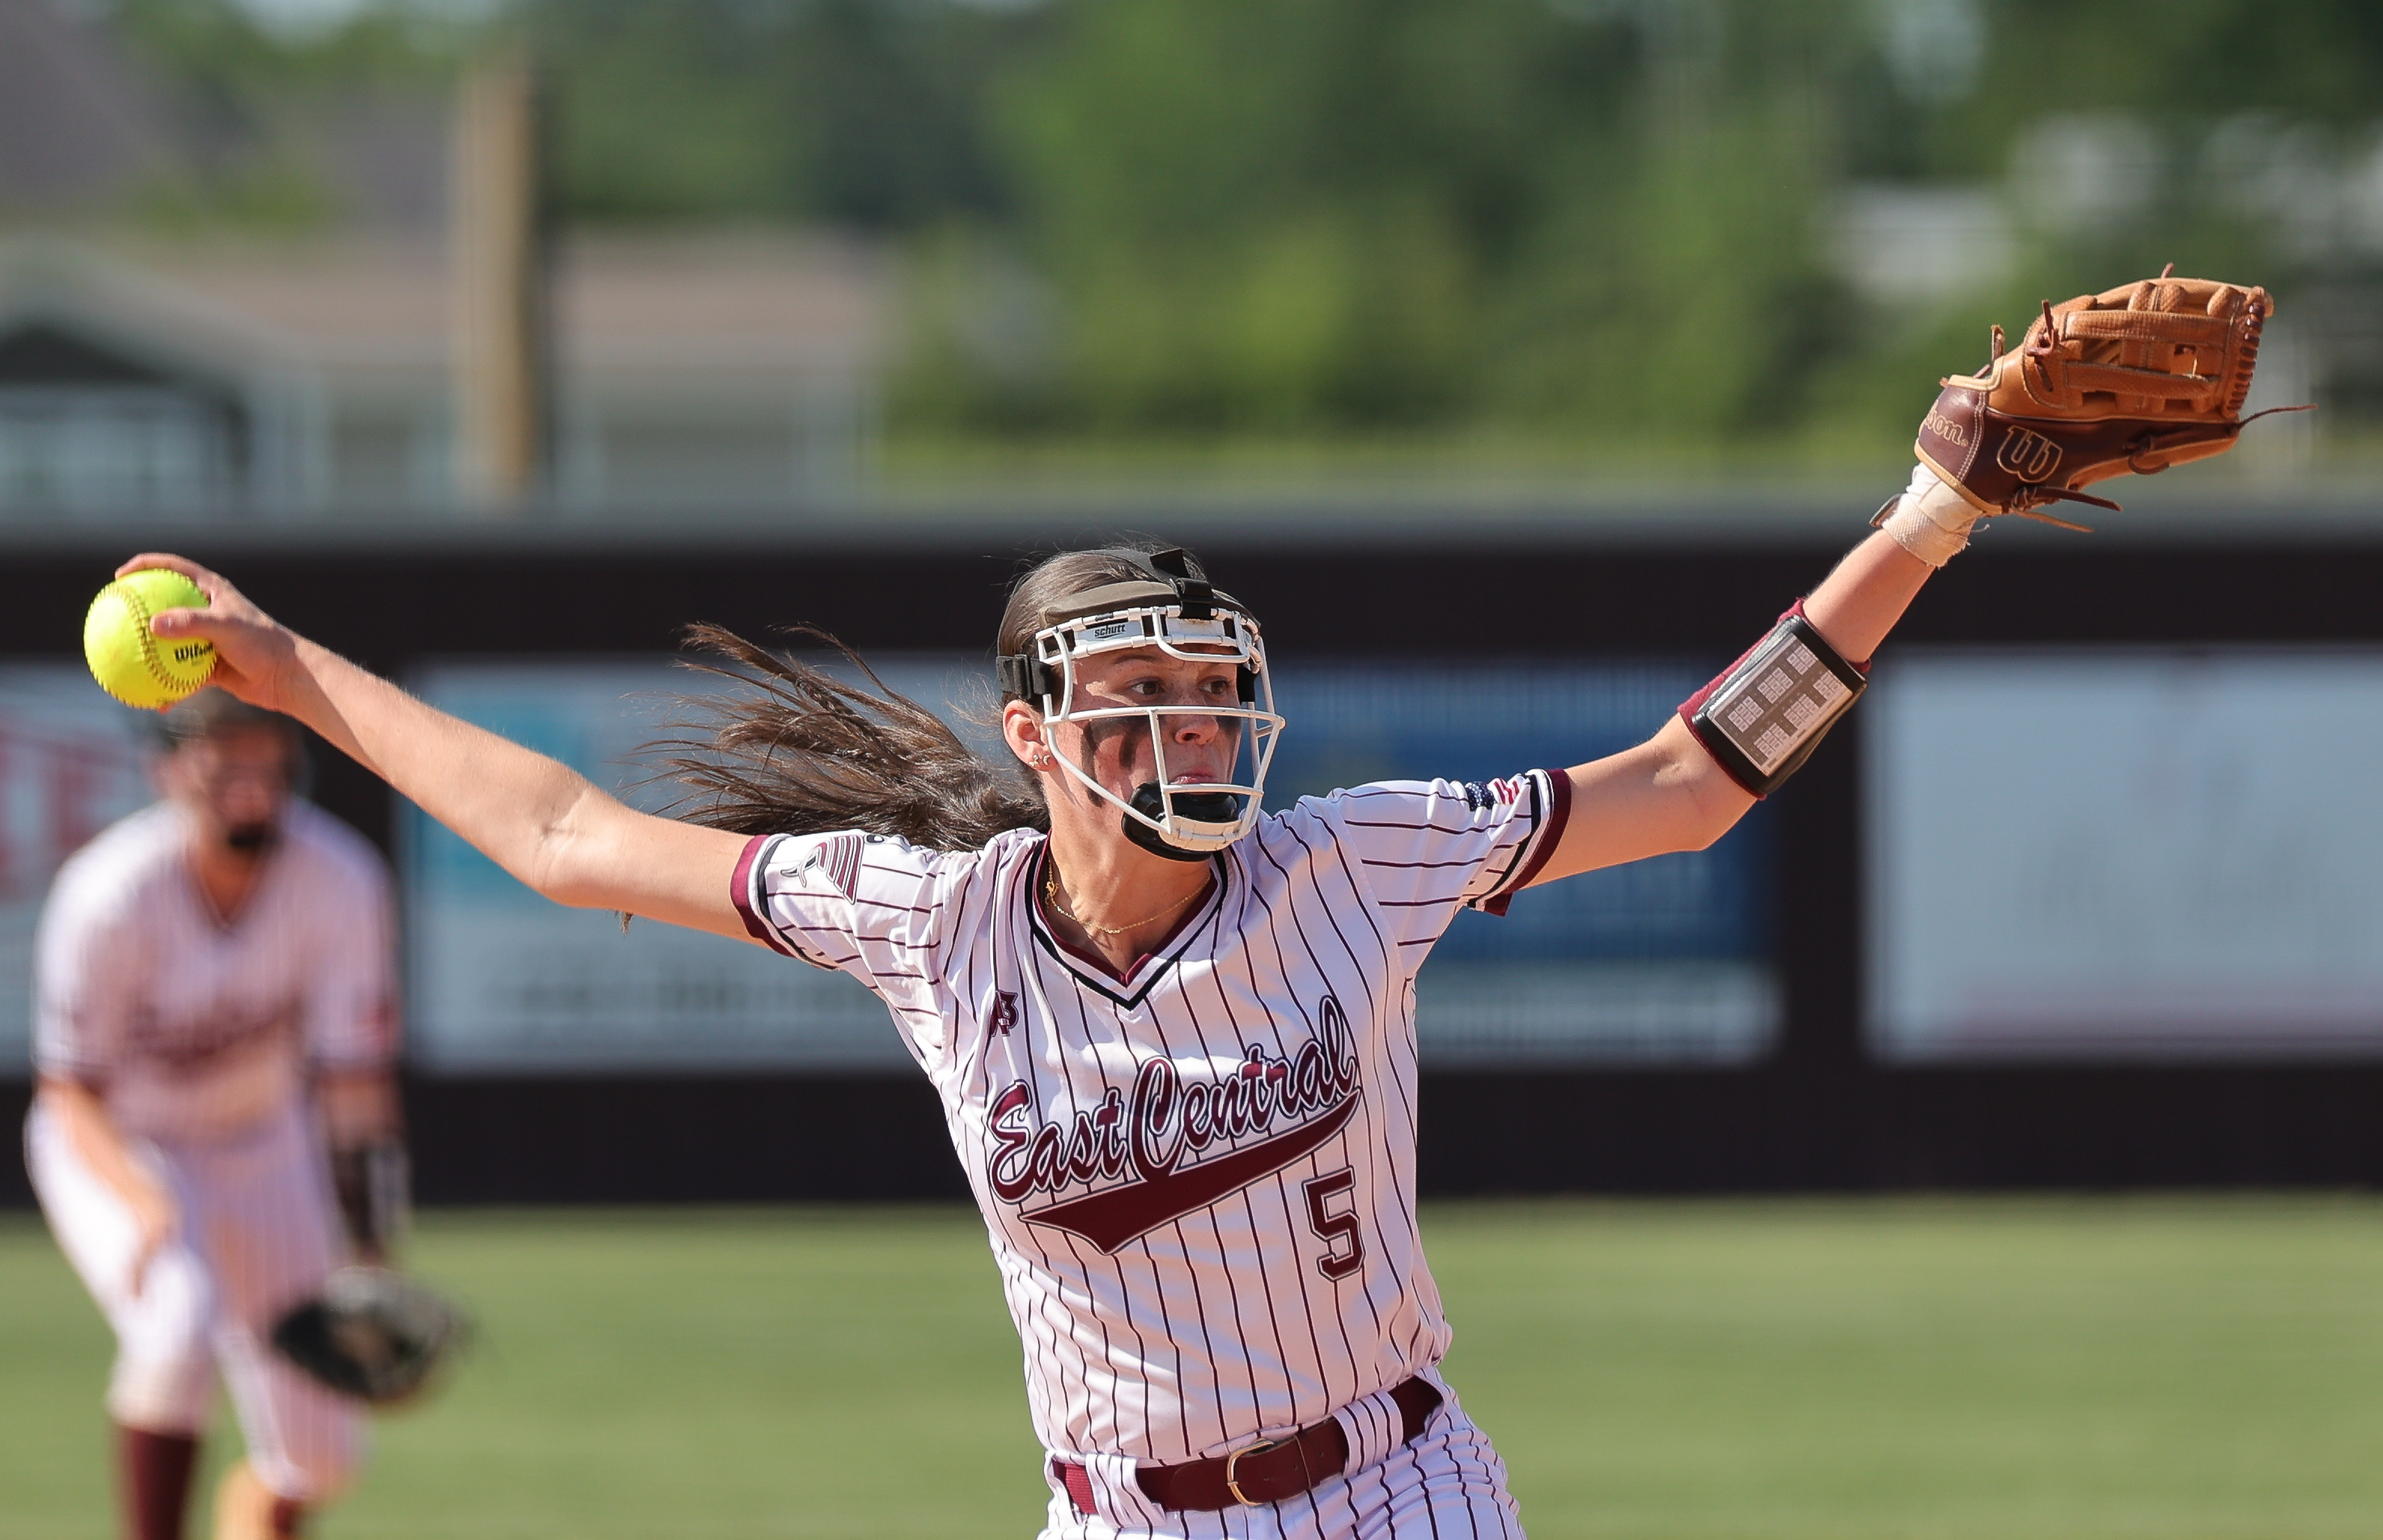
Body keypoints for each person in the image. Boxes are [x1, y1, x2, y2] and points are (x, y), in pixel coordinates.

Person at [120, 500, 1959, 1537]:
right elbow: (558, 833)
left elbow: (1689, 781)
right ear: (1035, 736)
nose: (1190, 730)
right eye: (1135, 695)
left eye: (1207, 692)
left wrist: (1927, 517)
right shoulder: (935, 923)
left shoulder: (1355, 864)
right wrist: (278, 667)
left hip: (1392, 1493)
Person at [27, 691, 407, 1540]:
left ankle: (256, 1514)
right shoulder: (109, 892)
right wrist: (145, 1200)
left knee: (325, 1457)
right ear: (166, 771)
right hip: (122, 1144)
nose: (247, 778)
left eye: (263, 754)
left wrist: (373, 1242)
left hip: (265, 1146)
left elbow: (354, 1082)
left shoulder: (341, 879)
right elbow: (69, 1091)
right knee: (175, 1324)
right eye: (219, 755)